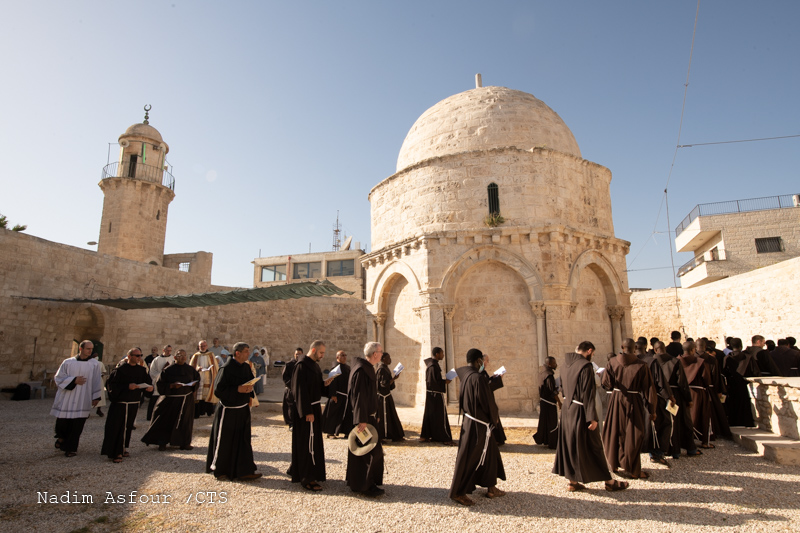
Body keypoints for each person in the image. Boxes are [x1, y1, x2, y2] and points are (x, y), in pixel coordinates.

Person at [553, 341, 628, 492]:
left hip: (568, 410)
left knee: (571, 444)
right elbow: (588, 393)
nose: (592, 356)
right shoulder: (585, 366)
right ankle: (609, 482)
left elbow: (561, 388)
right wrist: (591, 417)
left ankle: (573, 482)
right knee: (594, 445)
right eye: (592, 354)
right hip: (581, 410)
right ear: (589, 351)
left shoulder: (564, 365)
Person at [449, 348, 506, 506]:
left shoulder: (466, 375)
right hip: (478, 425)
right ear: (478, 361)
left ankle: (491, 487)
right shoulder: (477, 378)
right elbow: (487, 402)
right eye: (482, 360)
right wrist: (494, 418)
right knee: (470, 458)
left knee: (490, 454)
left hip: (473, 422)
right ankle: (458, 492)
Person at [601, 339, 656, 480]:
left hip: (616, 399)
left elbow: (606, 384)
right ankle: (634, 469)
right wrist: (652, 409)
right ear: (635, 348)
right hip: (634, 400)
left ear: (622, 347)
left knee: (614, 430)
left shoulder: (612, 362)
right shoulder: (642, 365)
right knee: (634, 433)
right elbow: (649, 389)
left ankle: (613, 464)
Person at [205, 342, 261, 481]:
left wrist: (249, 389)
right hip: (228, 411)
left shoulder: (246, 367)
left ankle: (244, 470)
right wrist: (238, 389)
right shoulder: (226, 368)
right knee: (225, 441)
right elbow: (218, 390)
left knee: (243, 440)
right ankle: (221, 470)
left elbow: (248, 382)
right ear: (238, 353)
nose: (249, 354)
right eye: (247, 351)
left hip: (242, 410)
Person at [289, 340, 332, 491]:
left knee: (313, 442)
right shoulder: (301, 366)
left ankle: (306, 471)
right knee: (306, 443)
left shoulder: (314, 366)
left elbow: (316, 388)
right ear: (313, 350)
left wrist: (326, 384)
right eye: (321, 353)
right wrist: (307, 411)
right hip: (307, 412)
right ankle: (306, 477)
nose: (322, 356)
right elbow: (299, 391)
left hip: (314, 408)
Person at [51, 340, 103, 457]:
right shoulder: (68, 362)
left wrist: (96, 397)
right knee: (62, 423)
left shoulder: (94, 364)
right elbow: (59, 378)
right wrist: (73, 380)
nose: (90, 351)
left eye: (91, 349)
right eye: (87, 349)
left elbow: (96, 381)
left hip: (83, 398)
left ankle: (71, 448)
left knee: (77, 425)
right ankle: (61, 438)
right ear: (81, 349)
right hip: (67, 397)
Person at [346, 342, 385, 497]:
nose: (382, 354)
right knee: (367, 452)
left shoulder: (367, 369)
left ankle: (362, 482)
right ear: (375, 354)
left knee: (369, 452)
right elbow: (359, 397)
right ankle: (364, 485)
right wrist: (362, 419)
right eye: (381, 352)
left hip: (368, 417)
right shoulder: (362, 371)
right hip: (363, 420)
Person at [141, 349, 200, 451]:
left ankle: (184, 443)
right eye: (179, 355)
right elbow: (160, 385)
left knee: (185, 422)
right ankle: (162, 442)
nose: (182, 357)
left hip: (186, 400)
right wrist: (172, 386)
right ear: (175, 357)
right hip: (170, 401)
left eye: (184, 355)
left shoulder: (191, 369)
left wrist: (194, 384)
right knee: (166, 421)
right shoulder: (167, 370)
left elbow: (197, 380)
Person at [101, 348, 153, 462]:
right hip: (120, 403)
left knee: (128, 427)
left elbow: (147, 383)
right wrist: (127, 386)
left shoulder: (142, 370)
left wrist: (149, 388)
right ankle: (116, 452)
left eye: (140, 355)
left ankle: (123, 447)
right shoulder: (119, 370)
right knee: (117, 427)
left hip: (133, 403)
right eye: (137, 356)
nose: (139, 358)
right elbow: (111, 386)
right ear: (129, 356)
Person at [642, 341, 675, 465]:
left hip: (638, 398)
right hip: (655, 397)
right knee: (663, 423)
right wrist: (669, 396)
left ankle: (651, 451)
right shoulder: (653, 362)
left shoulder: (634, 361)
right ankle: (658, 452)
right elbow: (660, 382)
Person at [681, 340, 713, 450]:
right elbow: (706, 378)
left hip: (682, 391)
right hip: (697, 392)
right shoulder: (700, 361)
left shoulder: (677, 361)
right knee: (702, 416)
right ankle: (704, 442)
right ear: (692, 350)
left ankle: (684, 442)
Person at [698, 338, 732, 440]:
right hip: (709, 388)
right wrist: (719, 390)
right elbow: (716, 376)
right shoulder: (711, 359)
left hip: (696, 389)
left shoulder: (692, 358)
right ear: (705, 347)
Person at [420, 347, 455, 445]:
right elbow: (433, 382)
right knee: (440, 417)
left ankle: (429, 435)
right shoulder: (433, 366)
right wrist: (445, 382)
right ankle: (445, 438)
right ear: (436, 354)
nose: (443, 355)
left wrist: (443, 382)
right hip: (435, 395)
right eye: (441, 353)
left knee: (431, 415)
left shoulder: (433, 365)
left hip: (432, 395)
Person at [722, 338, 758, 428]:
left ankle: (733, 422)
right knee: (744, 404)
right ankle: (745, 421)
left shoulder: (727, 358)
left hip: (731, 384)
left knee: (733, 404)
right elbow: (755, 372)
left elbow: (724, 372)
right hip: (743, 384)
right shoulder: (748, 357)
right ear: (741, 345)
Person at [321, 350, 353, 438]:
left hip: (345, 395)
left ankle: (346, 432)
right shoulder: (335, 368)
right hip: (337, 395)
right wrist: (332, 394)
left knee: (346, 414)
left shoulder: (347, 367)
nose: (344, 357)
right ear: (337, 357)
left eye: (345, 355)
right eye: (342, 355)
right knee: (333, 414)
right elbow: (332, 381)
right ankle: (330, 432)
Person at [376, 351, 405, 442]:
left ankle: (394, 434)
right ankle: (381, 436)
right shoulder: (381, 369)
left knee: (391, 416)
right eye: (388, 358)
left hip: (386, 396)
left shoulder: (385, 368)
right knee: (382, 416)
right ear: (384, 359)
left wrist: (393, 379)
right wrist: (394, 378)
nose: (390, 359)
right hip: (382, 397)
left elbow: (389, 384)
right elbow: (384, 384)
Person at [533, 356, 560, 449]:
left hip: (544, 402)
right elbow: (552, 391)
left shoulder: (542, 373)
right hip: (549, 404)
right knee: (552, 423)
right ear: (549, 364)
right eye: (554, 363)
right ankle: (552, 443)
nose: (555, 364)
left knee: (545, 422)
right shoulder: (549, 375)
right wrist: (559, 402)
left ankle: (545, 440)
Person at [480, 353, 507, 445]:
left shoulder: (483, 372)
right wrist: (498, 379)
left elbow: (487, 382)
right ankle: (495, 440)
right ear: (483, 361)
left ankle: (497, 439)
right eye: (487, 360)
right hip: (487, 400)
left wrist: (494, 377)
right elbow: (487, 387)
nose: (488, 362)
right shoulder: (481, 372)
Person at [190, 340, 219, 418]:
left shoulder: (211, 354)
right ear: (198, 347)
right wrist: (198, 368)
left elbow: (215, 366)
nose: (203, 347)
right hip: (198, 377)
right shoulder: (196, 355)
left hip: (208, 377)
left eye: (204, 346)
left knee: (207, 394)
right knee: (198, 395)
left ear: (207, 346)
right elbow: (192, 366)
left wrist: (211, 369)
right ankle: (198, 412)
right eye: (201, 346)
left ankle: (209, 411)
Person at [147, 345, 173, 421]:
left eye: (170, 350)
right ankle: (150, 416)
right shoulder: (156, 360)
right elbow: (152, 372)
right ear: (163, 350)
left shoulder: (172, 359)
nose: (169, 352)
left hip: (168, 383)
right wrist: (162, 372)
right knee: (154, 400)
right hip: (158, 382)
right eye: (167, 350)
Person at [282, 348, 304, 429]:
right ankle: (291, 423)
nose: (298, 355)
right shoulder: (289, 364)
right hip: (291, 389)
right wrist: (293, 386)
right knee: (290, 406)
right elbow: (285, 377)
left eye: (299, 354)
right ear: (294, 354)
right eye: (296, 354)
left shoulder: (303, 364)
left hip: (300, 390)